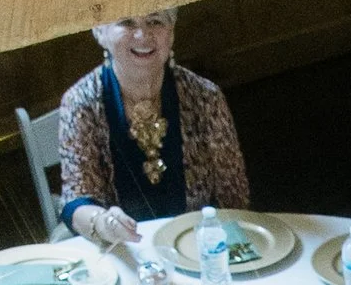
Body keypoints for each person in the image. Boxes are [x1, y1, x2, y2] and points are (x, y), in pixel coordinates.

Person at [55, 15, 250, 248]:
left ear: (172, 32)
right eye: (127, 23)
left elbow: (234, 196)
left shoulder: (206, 97)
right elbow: (77, 200)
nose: (142, 34)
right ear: (100, 32)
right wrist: (102, 222)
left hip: (197, 250)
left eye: (155, 21)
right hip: (120, 252)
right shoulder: (80, 103)